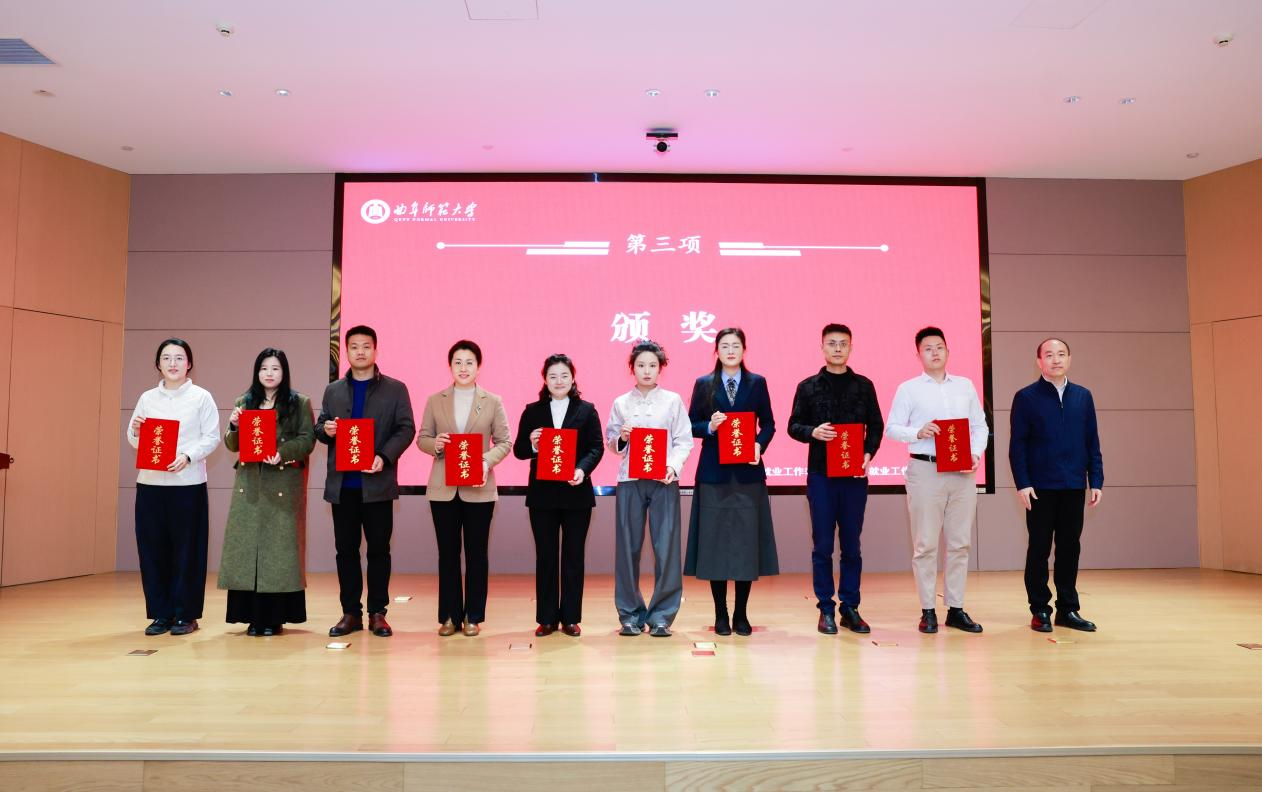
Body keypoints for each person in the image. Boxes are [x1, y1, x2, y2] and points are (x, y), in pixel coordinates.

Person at [885, 326, 989, 634]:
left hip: (962, 472)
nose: (935, 352)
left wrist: (975, 453)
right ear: (918, 354)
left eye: (939, 347)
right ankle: (927, 610)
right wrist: (917, 432)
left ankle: (955, 608)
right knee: (926, 544)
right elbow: (892, 428)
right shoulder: (908, 389)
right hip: (925, 471)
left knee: (960, 543)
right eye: (928, 348)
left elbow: (979, 426)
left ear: (947, 351)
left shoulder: (965, 386)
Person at [316, 325, 416, 639]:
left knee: (379, 551)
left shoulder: (395, 389)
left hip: (377, 486)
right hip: (343, 486)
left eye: (366, 346)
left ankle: (377, 613)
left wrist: (384, 456)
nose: (360, 352)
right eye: (354, 346)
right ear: (346, 351)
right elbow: (320, 427)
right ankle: (350, 613)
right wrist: (326, 430)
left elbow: (406, 428)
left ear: (375, 350)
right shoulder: (333, 390)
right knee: (345, 551)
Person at [788, 323, 884, 635]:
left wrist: (868, 453)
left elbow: (876, 426)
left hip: (854, 476)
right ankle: (826, 608)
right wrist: (812, 432)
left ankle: (850, 607)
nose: (838, 348)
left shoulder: (864, 386)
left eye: (843, 343)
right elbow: (793, 425)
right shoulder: (807, 387)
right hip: (821, 475)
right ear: (822, 348)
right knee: (823, 545)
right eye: (832, 343)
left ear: (851, 347)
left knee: (852, 545)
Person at [684, 328, 779, 637]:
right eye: (724, 346)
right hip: (714, 475)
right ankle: (721, 614)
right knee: (715, 545)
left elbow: (769, 424)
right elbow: (690, 425)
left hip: (748, 474)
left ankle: (741, 613)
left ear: (744, 350)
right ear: (716, 350)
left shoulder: (757, 382)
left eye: (735, 345)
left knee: (745, 545)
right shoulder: (704, 384)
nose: (730, 350)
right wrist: (709, 427)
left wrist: (759, 445)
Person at [417, 340, 512, 637]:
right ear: (450, 366)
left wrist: (485, 460)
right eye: (457, 362)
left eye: (469, 362)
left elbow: (505, 442)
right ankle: (449, 616)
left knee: (476, 554)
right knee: (447, 554)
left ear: (479, 366)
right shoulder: (436, 400)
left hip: (479, 488)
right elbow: (422, 438)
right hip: (443, 488)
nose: (463, 368)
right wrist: (436, 445)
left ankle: (473, 615)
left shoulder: (492, 400)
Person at [126, 338, 221, 636]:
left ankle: (186, 615)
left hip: (187, 483)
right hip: (150, 484)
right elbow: (134, 438)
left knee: (187, 551)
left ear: (189, 363)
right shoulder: (147, 398)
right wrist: (136, 431)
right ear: (158, 364)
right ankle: (161, 614)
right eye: (166, 358)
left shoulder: (201, 397)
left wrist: (188, 456)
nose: (173, 363)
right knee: (153, 550)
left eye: (179, 358)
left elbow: (212, 437)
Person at [218, 348, 316, 637]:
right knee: (247, 549)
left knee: (278, 551)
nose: (269, 373)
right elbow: (232, 444)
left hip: (282, 483)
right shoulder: (244, 402)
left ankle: (274, 618)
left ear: (284, 372)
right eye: (263, 368)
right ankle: (250, 616)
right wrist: (234, 425)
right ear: (256, 372)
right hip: (250, 483)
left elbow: (307, 440)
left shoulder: (299, 402)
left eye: (275, 368)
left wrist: (282, 452)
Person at [1009, 337, 1104, 633]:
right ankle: (1040, 609)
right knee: (1039, 548)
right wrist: (1023, 483)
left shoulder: (1083, 396)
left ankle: (1068, 609)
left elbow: (1092, 441)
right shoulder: (1026, 397)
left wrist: (1096, 479)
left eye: (1061, 354)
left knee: (1069, 548)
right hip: (1039, 487)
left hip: (1074, 484)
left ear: (1069, 359)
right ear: (1039, 362)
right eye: (1049, 355)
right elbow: (1017, 446)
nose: (1056, 359)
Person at [606, 340, 694, 638]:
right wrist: (622, 438)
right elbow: (612, 444)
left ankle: (662, 616)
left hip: (663, 481)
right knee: (627, 548)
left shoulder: (672, 401)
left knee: (666, 548)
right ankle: (629, 614)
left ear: (660, 368)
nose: (647, 370)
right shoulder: (621, 403)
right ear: (632, 368)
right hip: (629, 481)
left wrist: (672, 466)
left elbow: (684, 440)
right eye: (641, 365)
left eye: (652, 365)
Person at [512, 354, 605, 637]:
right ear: (545, 380)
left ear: (573, 378)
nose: (559, 381)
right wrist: (533, 444)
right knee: (546, 557)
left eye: (564, 375)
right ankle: (547, 618)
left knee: (574, 557)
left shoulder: (586, 410)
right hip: (542, 496)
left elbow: (596, 447)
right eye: (553, 376)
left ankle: (571, 618)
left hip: (576, 494)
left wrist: (582, 470)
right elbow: (519, 451)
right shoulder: (533, 411)